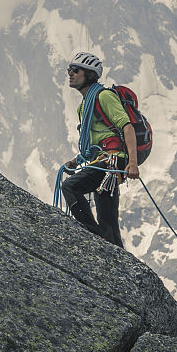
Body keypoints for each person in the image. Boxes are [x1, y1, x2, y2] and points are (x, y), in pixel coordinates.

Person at [60, 52, 140, 247]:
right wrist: (76, 161)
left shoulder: (104, 96)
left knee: (71, 186)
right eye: (69, 70)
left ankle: (94, 237)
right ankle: (110, 247)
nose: (70, 73)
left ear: (89, 74)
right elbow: (92, 143)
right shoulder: (83, 107)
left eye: (75, 70)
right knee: (108, 220)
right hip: (103, 160)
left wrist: (132, 163)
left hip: (113, 160)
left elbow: (127, 127)